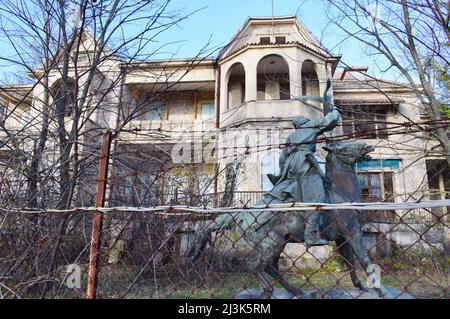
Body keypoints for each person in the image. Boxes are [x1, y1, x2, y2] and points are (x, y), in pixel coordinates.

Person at [265, 107, 341, 246]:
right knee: (317, 198)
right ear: (303, 122)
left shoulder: (291, 136)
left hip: (291, 164)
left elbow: (282, 158)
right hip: (304, 161)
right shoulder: (310, 126)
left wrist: (286, 171)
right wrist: (335, 110)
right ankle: (310, 235)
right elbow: (331, 120)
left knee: (299, 192)